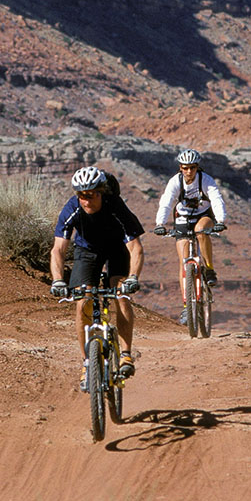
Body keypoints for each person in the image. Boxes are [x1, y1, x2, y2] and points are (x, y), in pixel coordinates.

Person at [50, 166, 145, 390]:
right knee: (83, 301)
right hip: (87, 252)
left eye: (91, 195)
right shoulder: (72, 208)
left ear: (101, 192)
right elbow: (58, 250)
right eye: (81, 195)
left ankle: (126, 355)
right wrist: (57, 280)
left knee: (121, 294)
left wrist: (133, 278)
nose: (86, 200)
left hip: (116, 250)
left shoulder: (116, 208)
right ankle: (87, 363)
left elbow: (136, 248)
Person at [152, 148, 228, 325]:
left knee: (201, 231)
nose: (189, 171)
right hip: (183, 217)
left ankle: (209, 269)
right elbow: (166, 202)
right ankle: (187, 306)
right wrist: (160, 224)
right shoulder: (175, 182)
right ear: (180, 167)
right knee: (184, 261)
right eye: (185, 168)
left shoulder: (205, 180)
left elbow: (216, 199)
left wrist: (221, 220)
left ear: (197, 167)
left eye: (192, 167)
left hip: (203, 215)